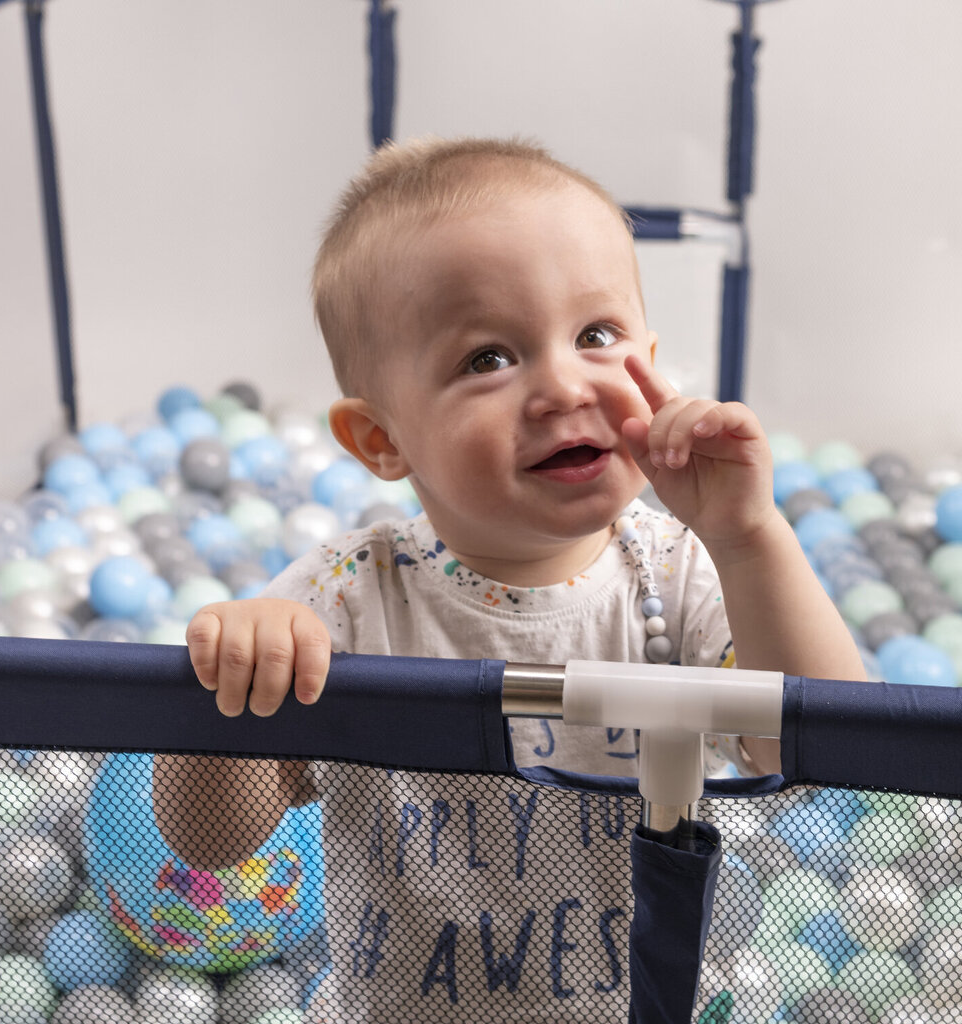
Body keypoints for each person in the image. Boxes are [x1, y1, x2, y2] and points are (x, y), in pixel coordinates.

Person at [154, 136, 865, 1022]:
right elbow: (209, 841)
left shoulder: (677, 570)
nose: (564, 385)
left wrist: (751, 534)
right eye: (488, 358)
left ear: (652, 355)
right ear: (383, 440)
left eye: (597, 335)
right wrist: (232, 683)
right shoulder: (344, 595)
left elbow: (823, 748)